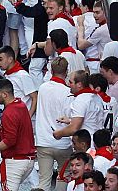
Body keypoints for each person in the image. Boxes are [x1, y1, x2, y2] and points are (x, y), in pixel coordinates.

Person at [0, 79, 36, 191]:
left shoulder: (9, 113)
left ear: (5, 94)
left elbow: (10, 141)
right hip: (27, 160)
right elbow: (19, 128)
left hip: (15, 162)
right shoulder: (21, 105)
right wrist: (1, 128)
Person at [35, 57, 73, 191]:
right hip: (63, 142)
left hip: (44, 141)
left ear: (51, 70)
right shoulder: (68, 92)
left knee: (43, 180)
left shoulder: (43, 88)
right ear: (67, 71)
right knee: (63, 177)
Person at [53, 70, 105, 140]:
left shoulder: (81, 100)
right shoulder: (97, 97)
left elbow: (74, 128)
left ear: (79, 84)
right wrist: (70, 120)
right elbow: (89, 119)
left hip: (86, 143)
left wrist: (58, 133)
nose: (68, 84)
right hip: (98, 141)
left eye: (71, 82)